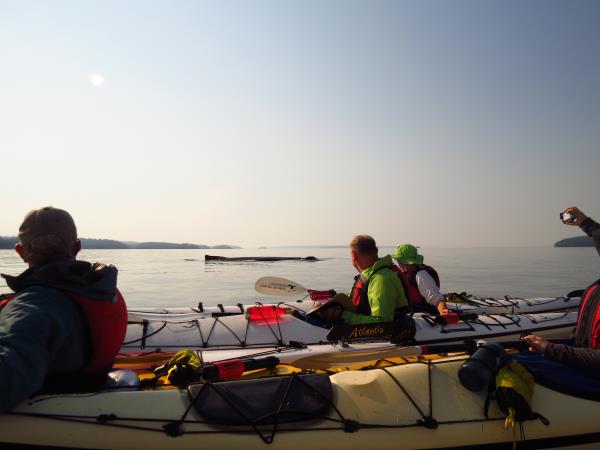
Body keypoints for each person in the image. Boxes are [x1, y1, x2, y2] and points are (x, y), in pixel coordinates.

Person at [0, 206, 127, 412]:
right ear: (76, 247)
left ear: (21, 252)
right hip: (91, 389)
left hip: (53, 408)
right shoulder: (100, 288)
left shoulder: (31, 307)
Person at [523, 206, 600, 372]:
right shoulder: (594, 290)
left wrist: (549, 349)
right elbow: (581, 340)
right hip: (581, 361)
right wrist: (585, 222)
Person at [309, 235, 408, 324]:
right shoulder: (369, 274)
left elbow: (382, 322)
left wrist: (343, 316)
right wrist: (329, 304)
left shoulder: (381, 280)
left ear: (353, 255)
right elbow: (353, 297)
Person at [391, 244, 449, 315]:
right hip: (411, 310)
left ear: (404, 261)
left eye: (399, 260)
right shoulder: (407, 272)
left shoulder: (421, 275)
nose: (398, 263)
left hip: (424, 313)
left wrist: (444, 311)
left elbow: (437, 299)